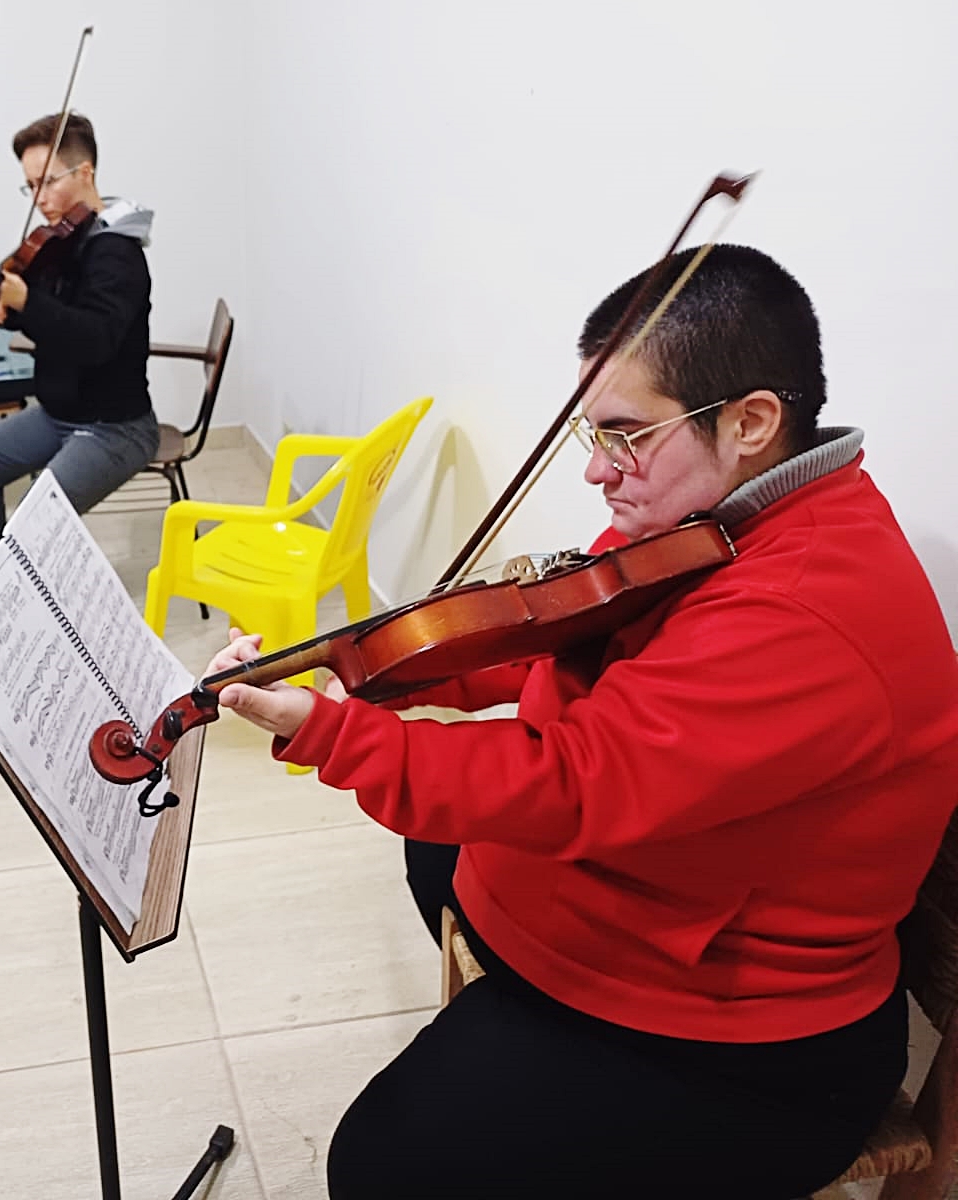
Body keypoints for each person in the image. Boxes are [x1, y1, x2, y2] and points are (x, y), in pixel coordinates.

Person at [204, 245, 958, 1198]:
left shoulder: (806, 610)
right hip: (660, 916)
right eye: (591, 435)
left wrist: (331, 732)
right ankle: (516, 1050)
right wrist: (372, 673)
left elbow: (574, 781)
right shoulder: (714, 517)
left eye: (625, 436)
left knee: (378, 1165)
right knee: (438, 851)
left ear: (752, 422)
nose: (599, 471)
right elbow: (556, 632)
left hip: (754, 1041)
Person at [0, 111, 159, 604]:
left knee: (34, 517)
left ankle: (13, 595)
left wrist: (27, 303)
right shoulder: (64, 243)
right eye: (30, 186)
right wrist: (6, 308)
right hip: (60, 414)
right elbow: (51, 320)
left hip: (116, 427)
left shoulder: (117, 254)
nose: (39, 199)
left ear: (85, 173)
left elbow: (95, 340)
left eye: (47, 182)